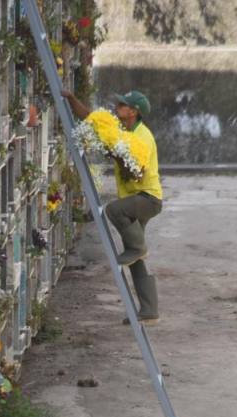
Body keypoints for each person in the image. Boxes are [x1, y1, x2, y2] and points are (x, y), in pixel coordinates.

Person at [60, 88, 163, 325]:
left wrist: (117, 154)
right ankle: (149, 310)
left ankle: (138, 247)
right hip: (136, 199)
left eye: (123, 105)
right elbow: (92, 119)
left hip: (147, 198)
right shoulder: (122, 130)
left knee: (114, 211)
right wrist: (72, 98)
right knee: (134, 257)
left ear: (133, 112)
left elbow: (137, 172)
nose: (117, 107)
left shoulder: (142, 137)